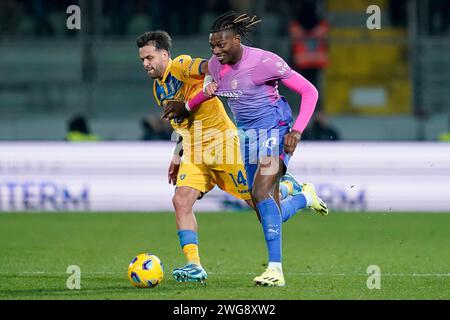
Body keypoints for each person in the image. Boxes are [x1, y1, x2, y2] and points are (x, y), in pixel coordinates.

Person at [162, 12, 329, 287]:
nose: (216, 51)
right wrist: (187, 106)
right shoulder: (216, 65)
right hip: (248, 137)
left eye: (221, 45)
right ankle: (304, 197)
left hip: (276, 130)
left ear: (237, 40)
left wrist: (297, 131)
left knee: (260, 191)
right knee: (265, 209)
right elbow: (210, 91)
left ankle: (275, 270)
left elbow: (310, 91)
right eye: (212, 46)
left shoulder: (265, 62)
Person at [136, 30, 304, 284]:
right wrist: (177, 154)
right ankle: (194, 265)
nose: (146, 64)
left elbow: (208, 67)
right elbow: (182, 125)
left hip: (224, 148)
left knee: (264, 207)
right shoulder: (158, 89)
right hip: (195, 153)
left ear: (165, 54)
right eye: (142, 60)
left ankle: (301, 195)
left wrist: (209, 82)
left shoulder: (181, 65)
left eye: (149, 57)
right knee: (181, 201)